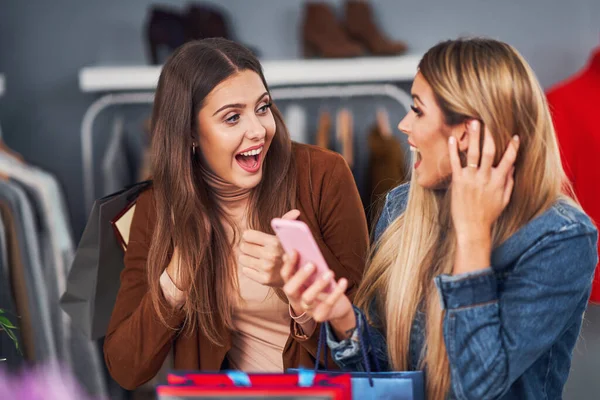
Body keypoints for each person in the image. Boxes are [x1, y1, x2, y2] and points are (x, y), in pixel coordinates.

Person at [280, 38, 598, 399]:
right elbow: (390, 380)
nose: (402, 125)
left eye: (416, 110)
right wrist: (341, 318)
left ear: (466, 133)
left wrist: (473, 237)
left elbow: (477, 387)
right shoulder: (402, 208)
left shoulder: (560, 237)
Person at [103, 38, 369, 390]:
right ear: (191, 133)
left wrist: (298, 290)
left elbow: (368, 348)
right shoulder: (156, 209)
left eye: (263, 108)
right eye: (232, 117)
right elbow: (126, 368)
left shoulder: (322, 175)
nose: (258, 130)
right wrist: (176, 279)